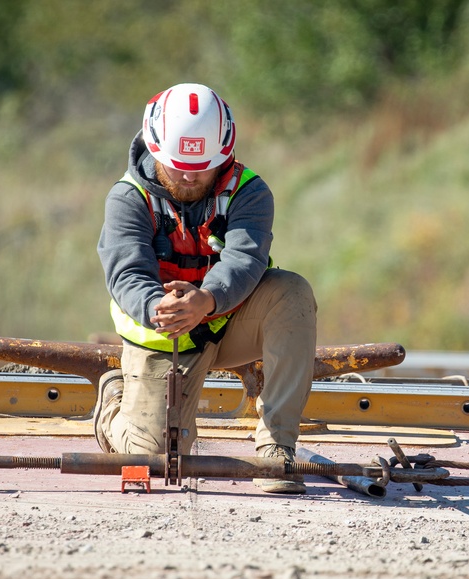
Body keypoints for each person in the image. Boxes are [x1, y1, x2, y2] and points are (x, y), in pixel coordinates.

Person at [93, 83, 318, 494]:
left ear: (225, 153)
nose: (190, 175)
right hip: (165, 332)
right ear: (155, 148)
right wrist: (159, 306)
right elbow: (127, 274)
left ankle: (276, 451)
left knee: (292, 292)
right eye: (178, 164)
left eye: (204, 165)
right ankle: (113, 406)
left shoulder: (250, 191)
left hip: (227, 320)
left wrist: (208, 299)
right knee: (159, 459)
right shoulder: (127, 198)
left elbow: (245, 261)